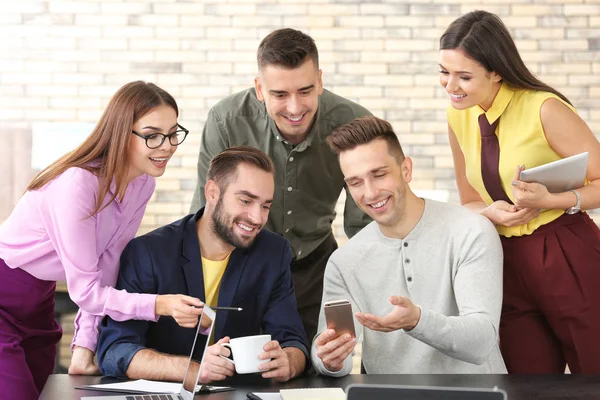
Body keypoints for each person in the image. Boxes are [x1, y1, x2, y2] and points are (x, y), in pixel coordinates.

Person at [0, 81, 204, 400]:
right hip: (5, 289)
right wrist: (161, 304)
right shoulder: (78, 185)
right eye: (152, 135)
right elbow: (86, 291)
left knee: (42, 392)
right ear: (122, 133)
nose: (167, 146)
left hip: (39, 300)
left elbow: (106, 268)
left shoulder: (141, 185)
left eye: (173, 133)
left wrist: (85, 346)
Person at [440, 10, 600, 374]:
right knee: (526, 381)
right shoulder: (457, 115)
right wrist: (489, 212)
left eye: (464, 76)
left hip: (565, 251)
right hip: (504, 260)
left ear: (496, 70)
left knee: (593, 374)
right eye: (444, 73)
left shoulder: (543, 108)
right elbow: (468, 200)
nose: (451, 86)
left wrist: (551, 201)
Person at [190, 28, 372, 343]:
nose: (294, 107)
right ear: (260, 89)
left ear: (320, 81)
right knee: (238, 369)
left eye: (305, 90)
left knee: (316, 370)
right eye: (279, 95)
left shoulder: (355, 125)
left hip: (317, 265)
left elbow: (367, 224)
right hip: (243, 261)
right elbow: (206, 215)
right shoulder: (226, 121)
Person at [311, 116, 506, 375]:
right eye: (355, 182)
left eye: (379, 175)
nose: (369, 193)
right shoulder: (344, 262)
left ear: (406, 170)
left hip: (477, 394)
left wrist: (417, 321)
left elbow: (481, 342)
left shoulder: (470, 231)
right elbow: (334, 348)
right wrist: (327, 359)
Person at [97, 146, 308, 383]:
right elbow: (115, 351)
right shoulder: (149, 252)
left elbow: (293, 340)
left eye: (265, 206)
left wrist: (288, 361)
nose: (257, 217)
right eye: (245, 200)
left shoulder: (273, 252)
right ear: (212, 192)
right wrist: (192, 370)